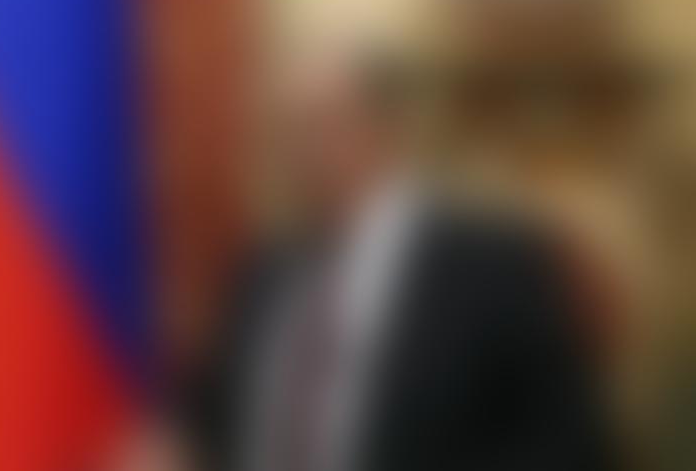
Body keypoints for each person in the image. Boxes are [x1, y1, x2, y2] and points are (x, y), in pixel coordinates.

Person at [181, 49, 617, 471]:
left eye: (315, 124)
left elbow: (566, 447)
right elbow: (209, 420)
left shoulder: (494, 268)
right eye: (281, 133)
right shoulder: (263, 277)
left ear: (383, 128)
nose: (295, 152)